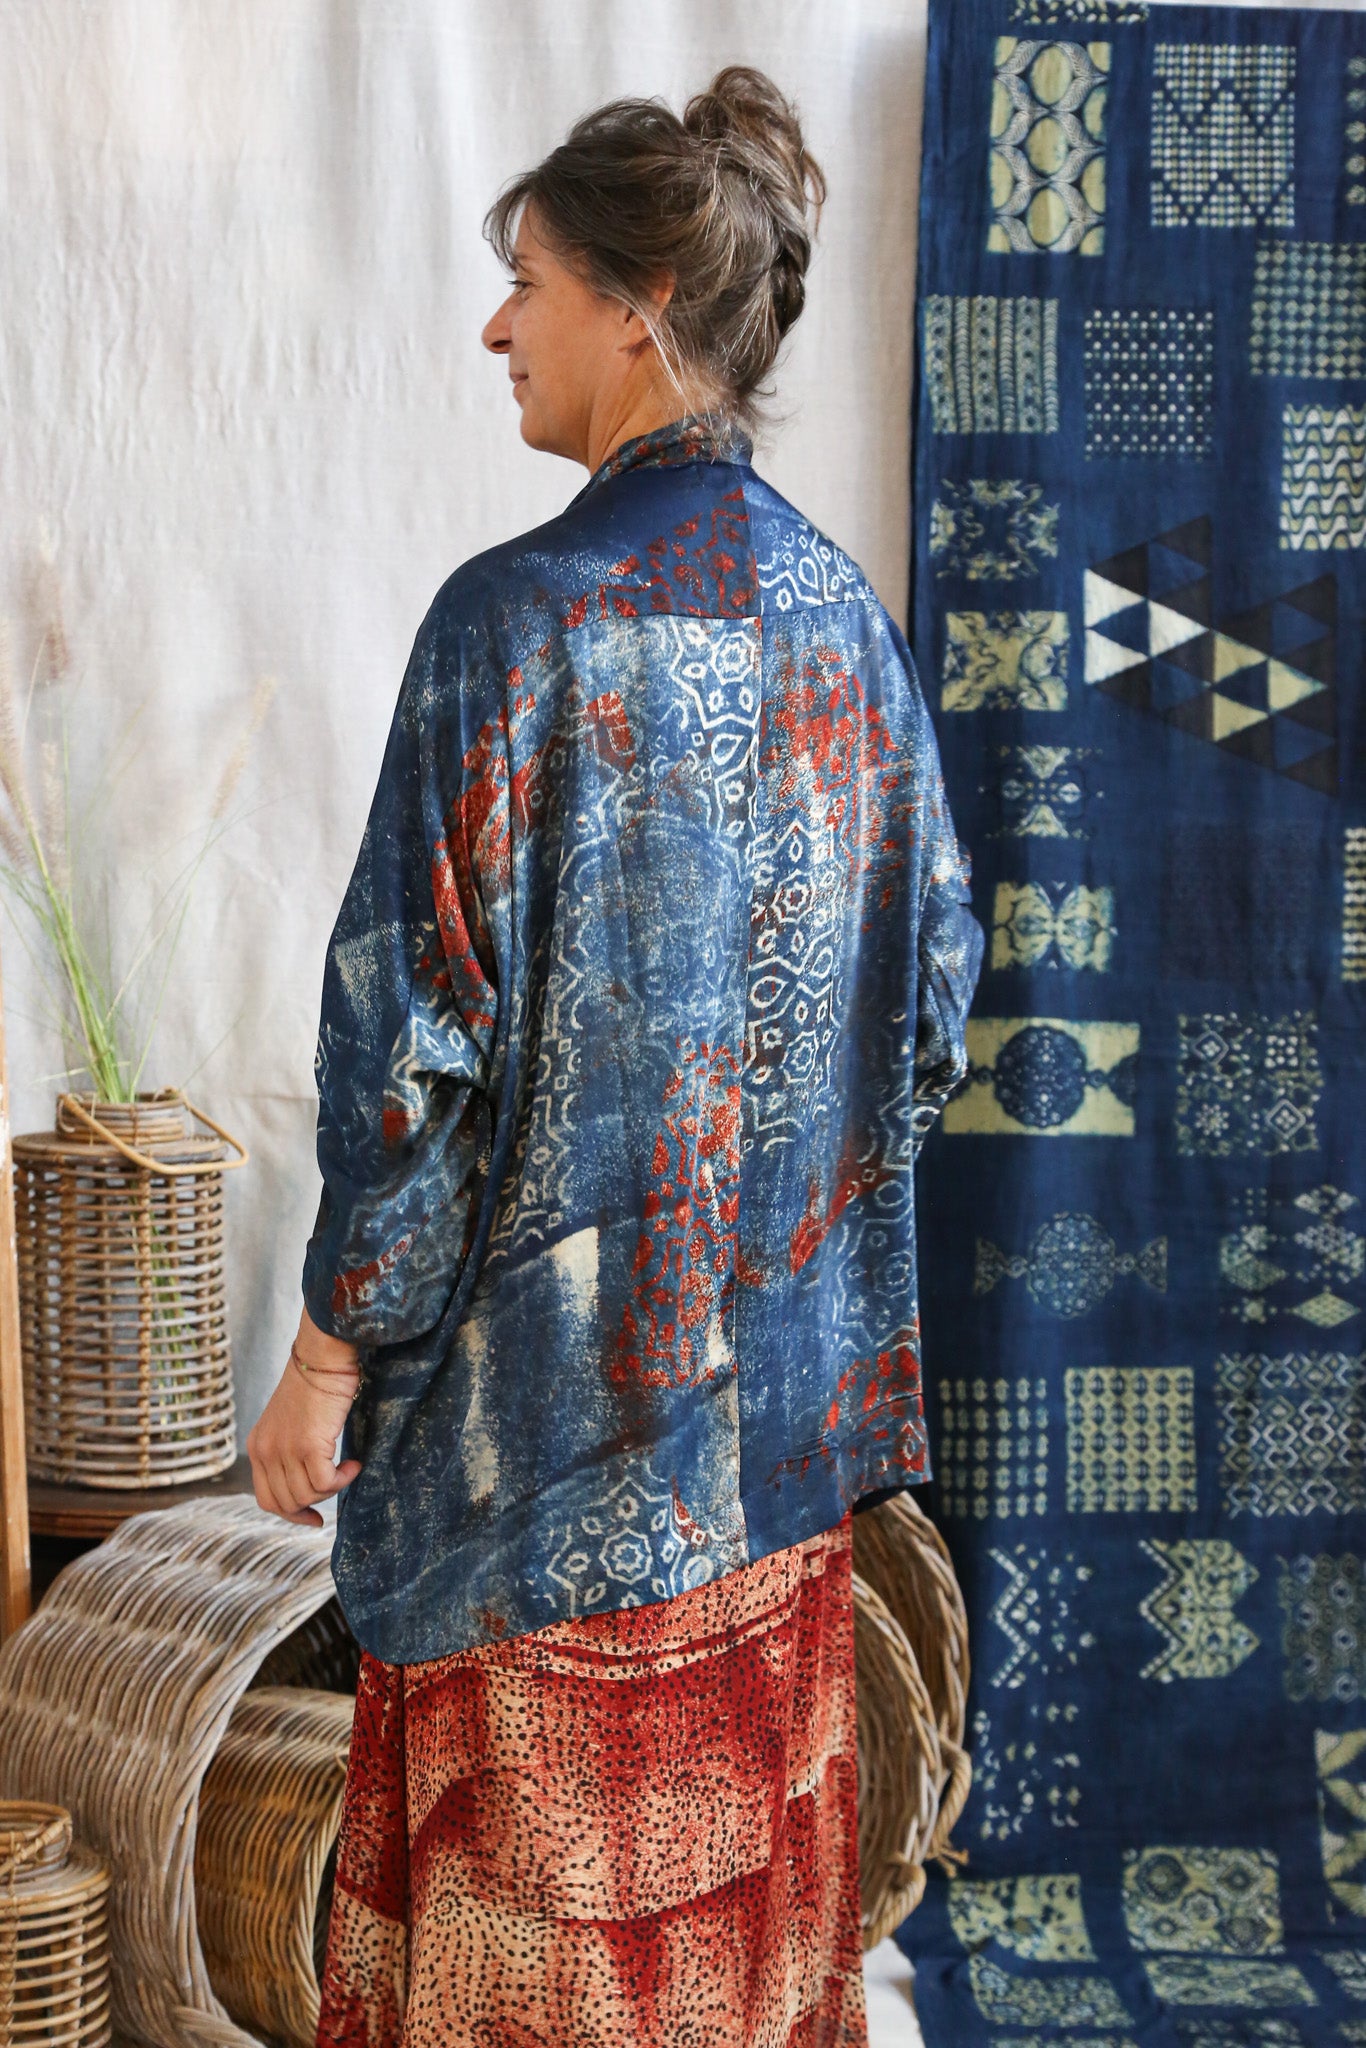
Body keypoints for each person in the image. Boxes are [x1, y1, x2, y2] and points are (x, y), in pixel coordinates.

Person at [247, 63, 982, 2048]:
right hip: (777, 1473)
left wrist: (329, 1356)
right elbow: (926, 1009)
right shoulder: (847, 628)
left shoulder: (518, 624)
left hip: (541, 1482)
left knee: (531, 1968)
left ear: (636, 309)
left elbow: (408, 1052)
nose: (498, 325)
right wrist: (777, 1242)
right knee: (731, 1962)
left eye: (529, 281)